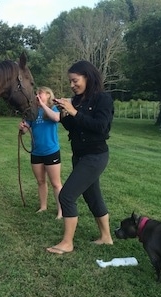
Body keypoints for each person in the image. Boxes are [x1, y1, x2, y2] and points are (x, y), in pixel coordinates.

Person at [46, 60, 114, 255]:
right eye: (70, 82)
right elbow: (73, 127)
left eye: (75, 80)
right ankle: (106, 237)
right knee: (92, 196)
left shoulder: (103, 99)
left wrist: (74, 112)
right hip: (80, 156)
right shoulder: (76, 101)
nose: (72, 85)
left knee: (67, 195)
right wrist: (64, 113)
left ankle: (67, 243)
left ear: (87, 77)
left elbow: (101, 127)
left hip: (96, 155)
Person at [19, 86, 63, 219]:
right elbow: (26, 129)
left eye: (40, 93)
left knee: (56, 183)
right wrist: (22, 128)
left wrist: (43, 105)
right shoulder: (33, 112)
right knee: (40, 181)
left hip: (51, 151)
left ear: (48, 95)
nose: (37, 95)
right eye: (36, 93)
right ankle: (43, 206)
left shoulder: (53, 109)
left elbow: (56, 118)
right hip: (36, 152)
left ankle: (61, 210)